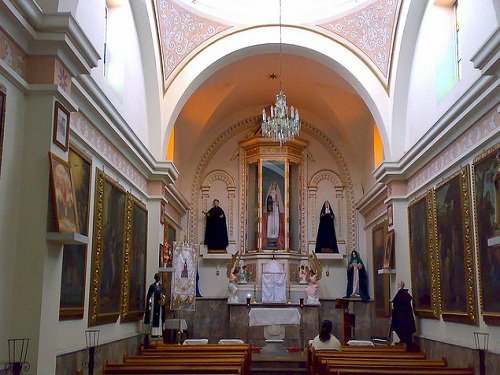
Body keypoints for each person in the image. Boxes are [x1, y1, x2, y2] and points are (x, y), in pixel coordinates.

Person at [390, 281, 416, 348]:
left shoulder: (403, 294)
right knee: (400, 330)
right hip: (402, 317)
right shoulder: (401, 294)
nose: (398, 286)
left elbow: (399, 304)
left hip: (403, 318)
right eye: (398, 284)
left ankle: (405, 341)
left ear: (402, 285)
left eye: (399, 284)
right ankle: (404, 340)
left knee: (402, 330)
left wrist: (395, 307)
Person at [263, 180, 285, 249]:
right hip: (270, 211)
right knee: (270, 222)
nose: (274, 186)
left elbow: (279, 202)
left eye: (275, 185)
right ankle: (270, 235)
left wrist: (276, 201)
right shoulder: (269, 193)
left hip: (275, 210)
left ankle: (275, 236)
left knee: (276, 223)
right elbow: (267, 202)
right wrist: (270, 203)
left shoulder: (277, 193)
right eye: (273, 184)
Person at [144, 273, 166, 339]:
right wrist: (150, 301)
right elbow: (149, 296)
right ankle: (152, 333)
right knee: (152, 318)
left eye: (158, 277)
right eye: (156, 277)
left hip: (159, 306)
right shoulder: (152, 286)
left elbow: (163, 294)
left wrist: (163, 298)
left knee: (159, 319)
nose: (157, 278)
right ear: (155, 278)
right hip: (153, 305)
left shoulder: (161, 286)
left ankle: (159, 333)